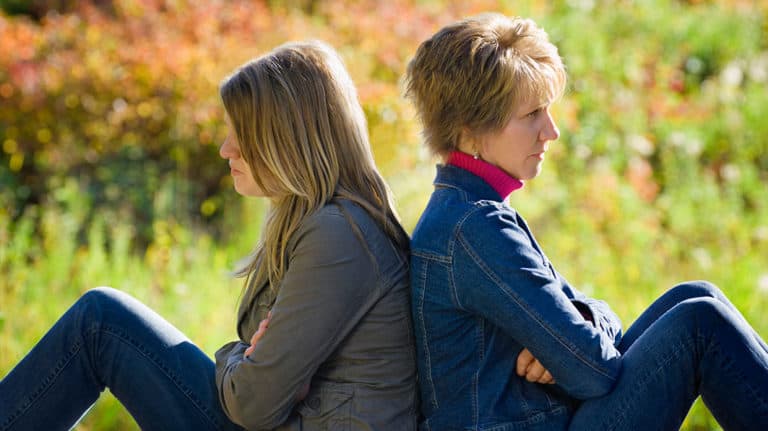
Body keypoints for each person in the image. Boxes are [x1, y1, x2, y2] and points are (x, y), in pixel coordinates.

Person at [0, 40, 418, 431]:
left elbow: (253, 404)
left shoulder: (338, 237)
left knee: (100, 323)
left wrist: (238, 359)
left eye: (242, 132)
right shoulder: (318, 222)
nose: (225, 148)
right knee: (101, 320)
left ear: (286, 139)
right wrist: (246, 359)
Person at [404, 13, 768, 431]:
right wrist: (569, 351)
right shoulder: (474, 228)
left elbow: (587, 336)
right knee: (699, 323)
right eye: (532, 114)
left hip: (553, 417)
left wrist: (566, 343)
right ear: (469, 131)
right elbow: (594, 370)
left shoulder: (465, 210)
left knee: (696, 295)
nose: (551, 131)